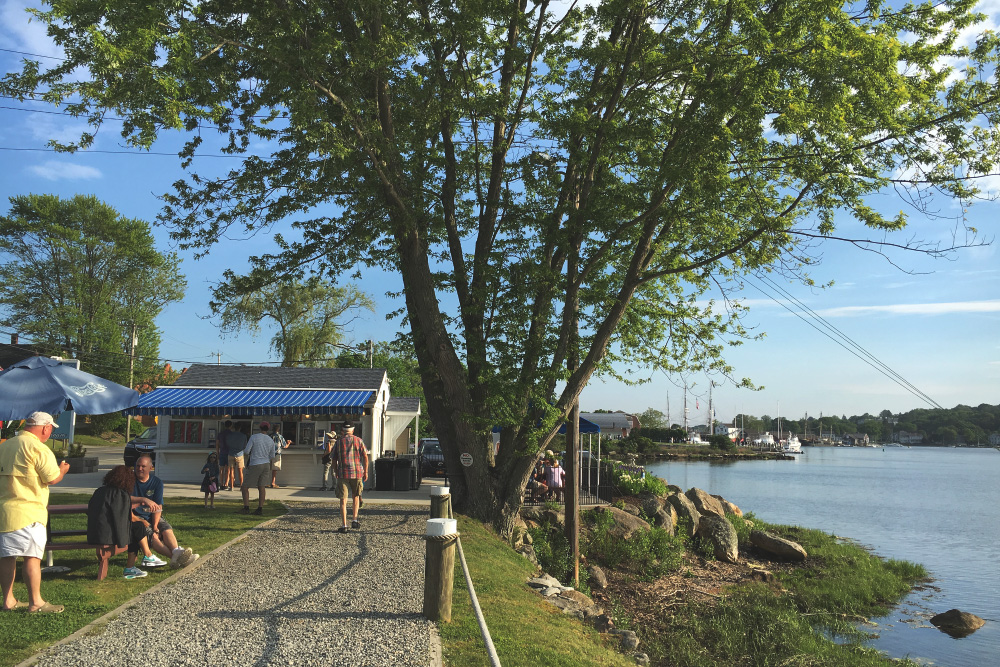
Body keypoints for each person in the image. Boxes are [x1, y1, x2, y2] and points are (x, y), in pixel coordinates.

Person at [0, 412, 70, 612]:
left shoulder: (4, 446)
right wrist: (62, 470)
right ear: (46, 428)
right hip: (29, 512)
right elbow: (51, 478)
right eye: (50, 429)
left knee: (6, 557)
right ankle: (36, 602)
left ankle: (8, 600)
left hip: (5, 511)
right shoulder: (38, 448)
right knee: (32, 557)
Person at [87, 465, 167, 579]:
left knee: (135, 528)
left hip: (94, 533)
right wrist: (141, 520)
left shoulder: (99, 491)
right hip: (107, 536)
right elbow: (123, 517)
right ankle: (144, 558)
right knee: (137, 528)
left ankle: (138, 563)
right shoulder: (120, 494)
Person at [131, 455, 199, 568]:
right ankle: (177, 558)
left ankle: (177, 553)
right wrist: (143, 500)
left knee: (166, 529)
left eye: (143, 466)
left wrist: (156, 526)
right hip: (137, 517)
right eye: (138, 466)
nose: (139, 469)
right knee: (153, 536)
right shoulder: (130, 481)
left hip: (152, 514)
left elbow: (158, 507)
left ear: (150, 468)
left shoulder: (156, 482)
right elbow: (124, 499)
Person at [332, 422, 368, 533]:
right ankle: (355, 520)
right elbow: (365, 456)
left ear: (343, 431)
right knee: (356, 496)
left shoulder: (338, 442)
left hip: (343, 473)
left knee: (343, 500)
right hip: (357, 473)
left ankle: (344, 525)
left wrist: (336, 471)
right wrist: (365, 471)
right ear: (352, 430)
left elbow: (333, 459)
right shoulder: (359, 441)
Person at [238, 421, 274, 515]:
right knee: (261, 486)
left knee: (245, 486)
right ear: (268, 429)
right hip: (266, 464)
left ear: (260, 427)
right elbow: (272, 455)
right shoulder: (270, 440)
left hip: (255, 463)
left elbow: (246, 451)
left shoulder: (254, 437)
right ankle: (260, 508)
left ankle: (246, 507)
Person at [226, 423, 248, 490]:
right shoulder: (243, 436)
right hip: (239, 454)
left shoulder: (229, 435)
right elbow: (245, 446)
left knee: (231, 470)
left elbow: (227, 444)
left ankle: (232, 486)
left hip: (231, 453)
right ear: (240, 428)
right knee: (240, 470)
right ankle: (241, 485)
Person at [217, 421, 232, 491]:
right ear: (231, 426)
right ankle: (226, 483)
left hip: (222, 452)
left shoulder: (220, 434)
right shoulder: (231, 434)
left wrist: (217, 452)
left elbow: (217, 444)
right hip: (229, 453)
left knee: (221, 469)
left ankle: (221, 483)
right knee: (228, 469)